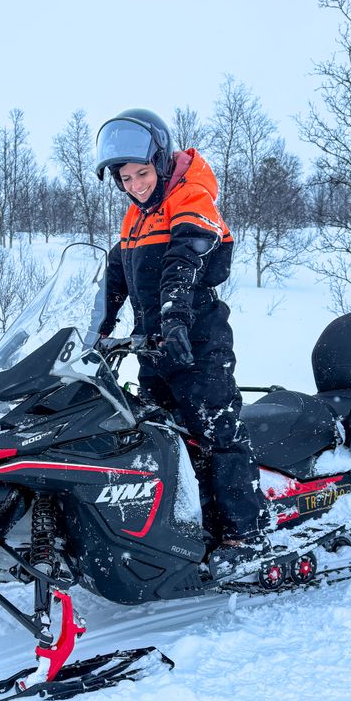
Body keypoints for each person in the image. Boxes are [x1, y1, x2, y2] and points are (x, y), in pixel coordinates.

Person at [94, 108, 270, 570]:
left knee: (218, 432)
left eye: (142, 173)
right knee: (165, 441)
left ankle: (245, 533)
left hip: (197, 340)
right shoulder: (136, 217)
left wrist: (174, 317)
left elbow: (184, 260)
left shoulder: (192, 196)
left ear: (161, 160)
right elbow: (116, 274)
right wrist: (98, 329)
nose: (134, 184)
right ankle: (185, 527)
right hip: (154, 348)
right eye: (126, 178)